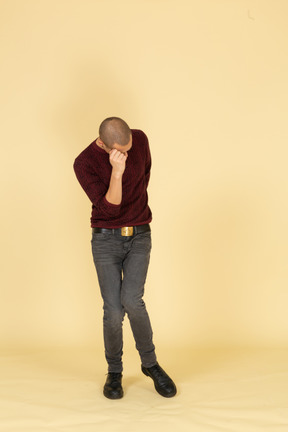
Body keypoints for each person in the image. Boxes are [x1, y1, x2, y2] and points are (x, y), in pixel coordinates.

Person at [73, 117, 176, 399]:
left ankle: (150, 365)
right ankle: (115, 371)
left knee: (133, 300)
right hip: (106, 239)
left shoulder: (140, 139)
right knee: (114, 311)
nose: (128, 155)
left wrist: (135, 208)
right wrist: (117, 172)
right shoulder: (83, 163)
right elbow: (111, 209)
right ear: (103, 144)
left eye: (129, 149)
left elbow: (144, 177)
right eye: (120, 151)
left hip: (140, 234)